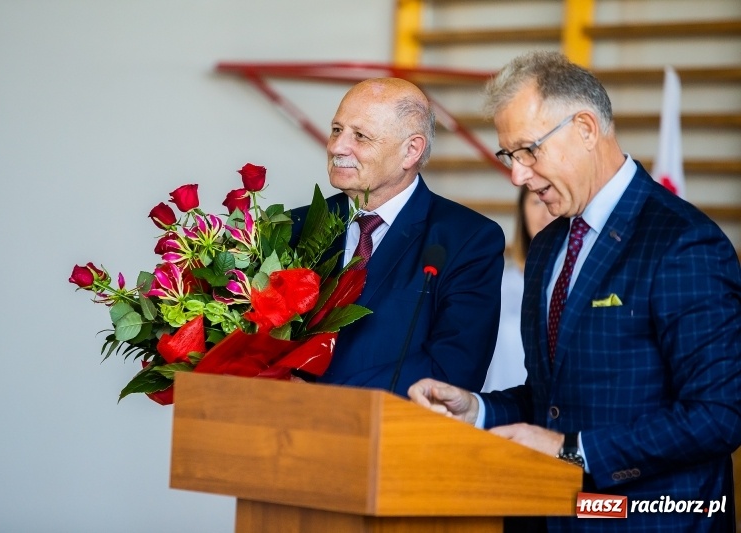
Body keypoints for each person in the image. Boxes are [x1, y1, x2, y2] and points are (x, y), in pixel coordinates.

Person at [408, 51, 741, 532]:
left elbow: (718, 416)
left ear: (586, 128)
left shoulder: (683, 242)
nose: (518, 175)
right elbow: (554, 399)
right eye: (509, 155)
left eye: (528, 151)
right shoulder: (547, 246)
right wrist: (477, 409)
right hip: (551, 514)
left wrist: (573, 450)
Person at [289, 77, 505, 397]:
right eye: (337, 130)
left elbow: (454, 368)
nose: (337, 146)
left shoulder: (468, 240)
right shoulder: (294, 225)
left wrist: (320, 399)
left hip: (391, 436)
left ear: (411, 151)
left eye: (360, 136)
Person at [482, 187, 556, 392]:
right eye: (536, 202)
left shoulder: (577, 283)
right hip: (500, 411)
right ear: (522, 210)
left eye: (550, 200)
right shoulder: (497, 284)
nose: (545, 213)